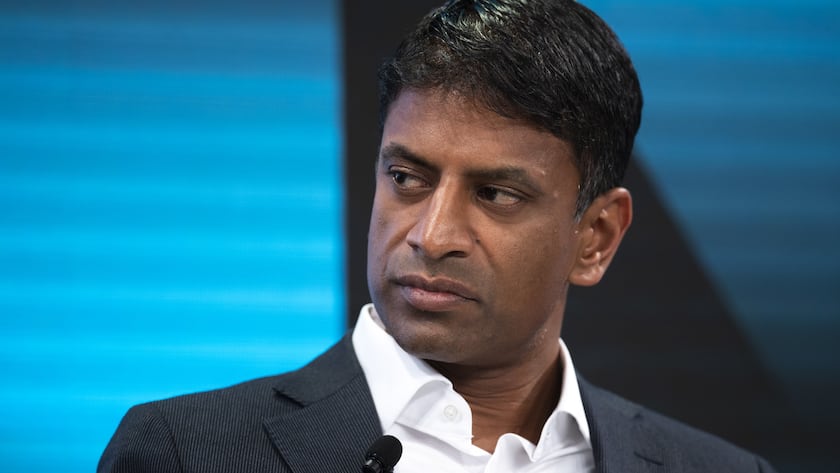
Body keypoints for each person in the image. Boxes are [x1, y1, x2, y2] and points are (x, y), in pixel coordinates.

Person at [99, 1, 778, 472]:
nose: (431, 234)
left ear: (595, 236)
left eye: (494, 194)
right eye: (408, 177)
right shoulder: (185, 452)